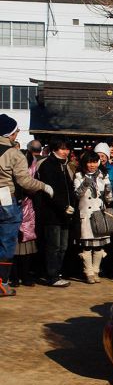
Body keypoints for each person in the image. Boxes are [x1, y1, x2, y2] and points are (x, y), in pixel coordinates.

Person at [0, 114, 53, 296]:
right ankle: (2, 283)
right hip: (6, 199)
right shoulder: (14, 154)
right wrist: (43, 186)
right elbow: (25, 181)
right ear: (11, 134)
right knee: (7, 243)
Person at [35, 137, 76, 287]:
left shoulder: (66, 165)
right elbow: (49, 191)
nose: (65, 151)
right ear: (54, 149)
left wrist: (70, 206)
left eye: (67, 148)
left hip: (66, 214)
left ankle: (57, 273)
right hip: (52, 213)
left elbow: (69, 189)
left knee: (63, 246)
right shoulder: (47, 165)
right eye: (62, 148)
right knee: (53, 246)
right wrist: (63, 206)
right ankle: (51, 275)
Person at [74, 151, 113, 284]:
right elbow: (77, 195)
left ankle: (96, 271)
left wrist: (108, 191)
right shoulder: (79, 175)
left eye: (94, 162)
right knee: (87, 246)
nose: (92, 165)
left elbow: (109, 199)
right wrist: (85, 183)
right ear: (85, 163)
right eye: (89, 162)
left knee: (99, 246)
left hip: (99, 215)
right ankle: (88, 272)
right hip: (85, 214)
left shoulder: (103, 176)